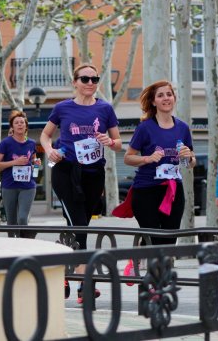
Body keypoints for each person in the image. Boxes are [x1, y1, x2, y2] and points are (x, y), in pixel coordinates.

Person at [40, 63, 122, 304]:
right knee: (79, 224)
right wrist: (49, 150)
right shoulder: (62, 108)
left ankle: (65, 271)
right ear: (74, 82)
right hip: (66, 172)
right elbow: (45, 135)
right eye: (84, 79)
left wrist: (110, 140)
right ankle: (85, 283)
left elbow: (119, 143)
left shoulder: (105, 109)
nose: (90, 83)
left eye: (94, 79)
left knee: (79, 224)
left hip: (94, 173)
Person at [124, 80, 195, 245]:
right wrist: (146, 159)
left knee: (169, 241)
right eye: (160, 95)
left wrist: (188, 157)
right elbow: (128, 157)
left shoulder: (183, 128)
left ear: (174, 98)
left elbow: (190, 163)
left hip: (173, 191)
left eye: (169, 94)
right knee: (155, 240)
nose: (166, 98)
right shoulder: (145, 128)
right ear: (153, 101)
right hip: (146, 191)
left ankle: (158, 266)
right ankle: (148, 258)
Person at [0, 111, 39, 236]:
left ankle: (25, 244)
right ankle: (13, 247)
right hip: (9, 186)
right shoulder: (5, 143)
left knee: (22, 219)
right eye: (16, 123)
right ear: (12, 127)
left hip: (28, 186)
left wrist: (36, 163)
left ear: (26, 126)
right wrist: (15, 162)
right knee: (12, 222)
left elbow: (34, 161)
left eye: (22, 122)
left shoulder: (32, 143)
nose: (19, 125)